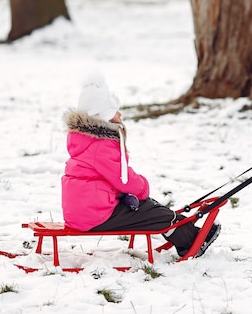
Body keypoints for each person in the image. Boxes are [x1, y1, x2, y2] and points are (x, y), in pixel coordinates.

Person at [61, 71, 220, 259]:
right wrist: (142, 188)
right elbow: (124, 179)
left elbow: (102, 178)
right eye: (114, 112)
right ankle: (191, 241)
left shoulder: (84, 140)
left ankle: (186, 232)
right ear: (103, 117)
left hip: (82, 211)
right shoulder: (102, 144)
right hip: (96, 215)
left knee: (149, 209)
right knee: (154, 213)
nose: (120, 114)